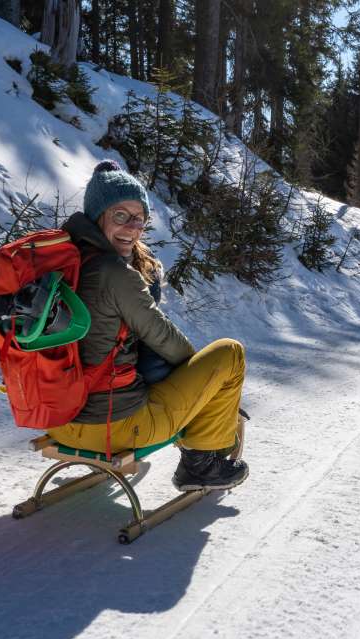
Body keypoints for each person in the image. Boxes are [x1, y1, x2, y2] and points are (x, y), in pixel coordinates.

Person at [47, 160, 248, 491]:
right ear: (98, 216)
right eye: (121, 216)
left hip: (57, 421)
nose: (131, 227)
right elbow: (167, 342)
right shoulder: (114, 273)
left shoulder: (61, 260)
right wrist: (203, 382)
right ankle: (200, 465)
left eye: (139, 219)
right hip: (115, 428)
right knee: (230, 353)